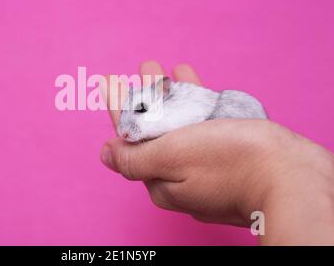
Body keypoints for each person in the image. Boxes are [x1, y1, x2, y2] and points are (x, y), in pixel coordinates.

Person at [100, 60, 334, 245]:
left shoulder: (193, 105)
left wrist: (262, 179)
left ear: (165, 95)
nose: (124, 130)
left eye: (141, 110)